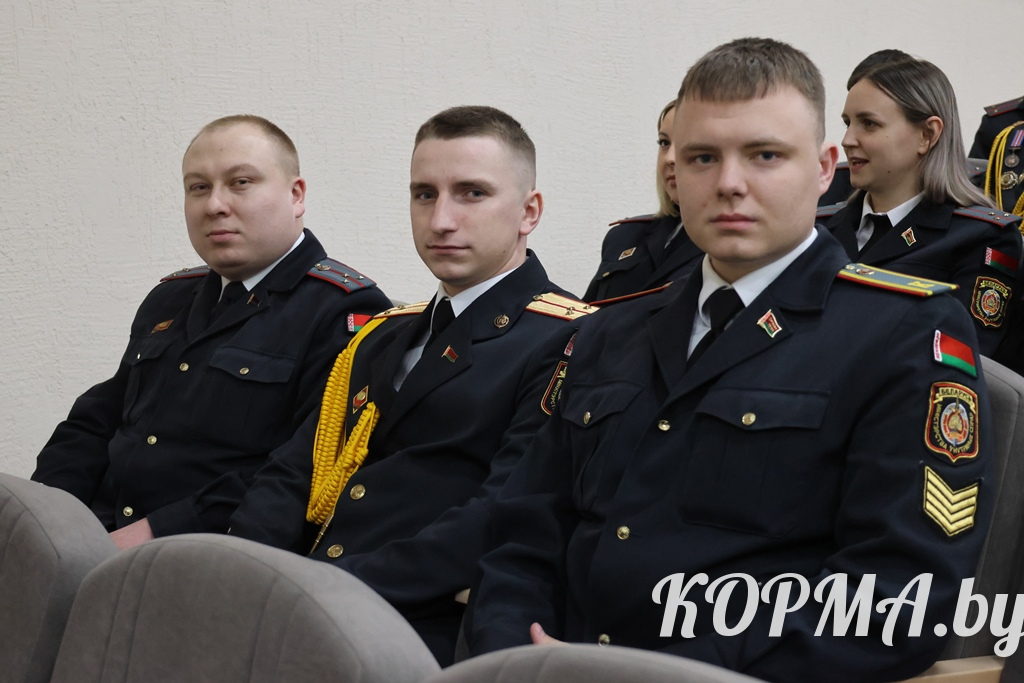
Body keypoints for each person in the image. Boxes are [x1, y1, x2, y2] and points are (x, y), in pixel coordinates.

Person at [464, 38, 992, 682]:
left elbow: (899, 596)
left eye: (765, 155)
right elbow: (521, 534)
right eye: (702, 158)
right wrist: (511, 655)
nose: (729, 184)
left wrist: (642, 676)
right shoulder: (610, 329)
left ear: (824, 168)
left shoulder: (902, 332)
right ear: (675, 172)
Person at [228, 106, 593, 666]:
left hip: (426, 629)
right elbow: (295, 473)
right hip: (307, 609)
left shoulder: (570, 337)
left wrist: (325, 590)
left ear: (529, 212)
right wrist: (241, 574)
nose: (441, 219)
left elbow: (501, 512)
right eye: (425, 194)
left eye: (472, 193)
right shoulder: (383, 333)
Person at [32, 115, 390, 549]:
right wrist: (50, 519)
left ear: (296, 195)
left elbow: (305, 471)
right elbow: (95, 423)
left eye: (240, 183)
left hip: (213, 558)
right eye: (198, 187)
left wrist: (154, 532)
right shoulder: (170, 299)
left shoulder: (345, 311)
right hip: (97, 540)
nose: (214, 205)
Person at [817, 51, 1022, 356]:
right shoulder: (818, 228)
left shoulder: (980, 238)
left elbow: (961, 356)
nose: (848, 139)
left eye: (869, 124)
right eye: (848, 122)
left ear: (927, 135)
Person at [583, 100, 703, 303]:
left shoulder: (729, 246)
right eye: (664, 143)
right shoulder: (624, 237)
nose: (670, 158)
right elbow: (585, 315)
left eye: (686, 142)